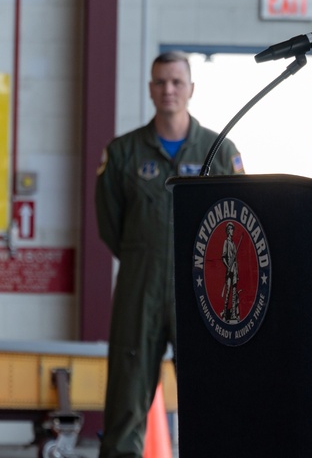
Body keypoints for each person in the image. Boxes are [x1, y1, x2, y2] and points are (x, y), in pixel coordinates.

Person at [95, 50, 244, 458]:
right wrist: (145, 256)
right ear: (149, 89)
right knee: (126, 399)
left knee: (211, 398)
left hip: (201, 293)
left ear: (191, 88)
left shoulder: (219, 150)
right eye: (160, 82)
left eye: (177, 82)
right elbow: (110, 226)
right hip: (139, 290)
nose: (169, 90)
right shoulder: (124, 153)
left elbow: (241, 220)